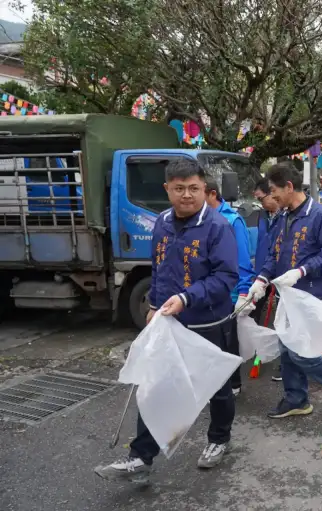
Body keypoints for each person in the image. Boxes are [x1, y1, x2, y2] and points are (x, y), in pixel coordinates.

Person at [95, 159, 239, 482]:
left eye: (193, 188)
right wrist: (155, 304)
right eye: (179, 189)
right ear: (167, 190)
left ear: (205, 188)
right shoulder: (160, 222)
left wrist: (187, 298)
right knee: (155, 384)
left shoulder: (218, 228)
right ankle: (141, 457)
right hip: (167, 321)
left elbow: (226, 277)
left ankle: (218, 439)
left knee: (215, 386)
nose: (186, 195)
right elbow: (159, 267)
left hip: (206, 322)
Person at [246, 162, 322, 418]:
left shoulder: (319, 215)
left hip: (309, 296)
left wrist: (301, 271)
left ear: (289, 187)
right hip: (285, 296)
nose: (273, 198)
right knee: (286, 351)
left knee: (299, 352)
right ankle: (296, 399)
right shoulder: (283, 216)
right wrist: (261, 281)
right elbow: (273, 254)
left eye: (275, 192)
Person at [204, 177, 257, 396]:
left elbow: (243, 258)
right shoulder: (200, 219)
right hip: (207, 290)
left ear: (212, 194)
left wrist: (244, 291)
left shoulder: (232, 220)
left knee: (228, 340)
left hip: (230, 292)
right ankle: (212, 383)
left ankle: (233, 384)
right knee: (209, 341)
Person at [251, 178, 285, 380]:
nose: (260, 204)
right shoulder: (264, 215)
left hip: (283, 275)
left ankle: (286, 364)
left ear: (272, 193)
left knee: (283, 320)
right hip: (263, 273)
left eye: (261, 199)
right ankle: (258, 350)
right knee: (255, 311)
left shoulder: (287, 216)